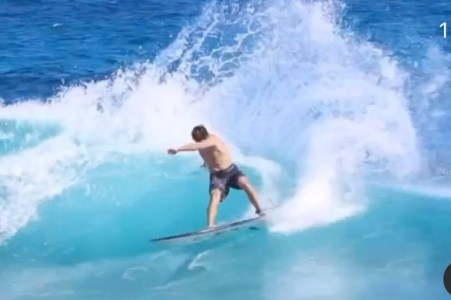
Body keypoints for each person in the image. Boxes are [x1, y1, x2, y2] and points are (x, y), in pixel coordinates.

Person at [167, 125, 264, 228]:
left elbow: (199, 146)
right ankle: (211, 225)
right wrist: (205, 163)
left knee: (246, 184)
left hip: (231, 171)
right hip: (217, 176)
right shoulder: (201, 144)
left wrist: (178, 149)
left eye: (198, 139)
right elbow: (208, 152)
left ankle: (260, 210)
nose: (197, 141)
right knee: (214, 197)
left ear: (204, 135)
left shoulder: (213, 139)